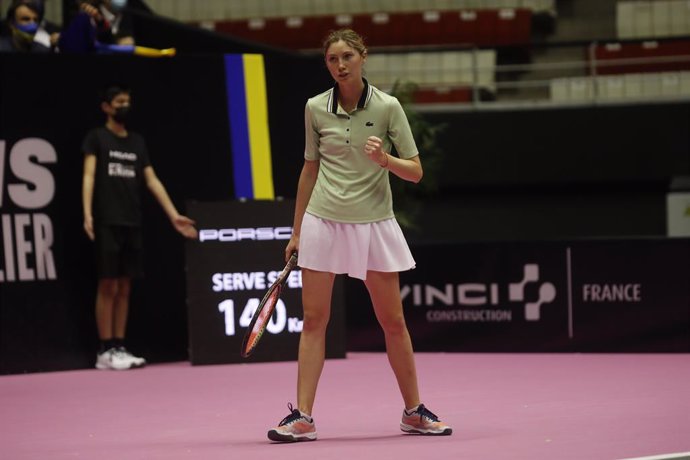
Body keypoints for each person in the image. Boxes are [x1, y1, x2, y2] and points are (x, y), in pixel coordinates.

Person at [268, 29, 452, 442]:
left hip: (373, 223)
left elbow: (416, 170)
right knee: (315, 321)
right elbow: (309, 170)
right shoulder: (315, 107)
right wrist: (296, 231)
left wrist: (383, 158)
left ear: (363, 56)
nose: (340, 65)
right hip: (323, 221)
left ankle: (414, 412)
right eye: (332, 59)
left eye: (347, 56)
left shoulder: (388, 107)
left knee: (393, 322)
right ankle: (302, 417)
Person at [81, 85, 197, 370]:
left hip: (132, 221)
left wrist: (173, 215)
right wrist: (87, 215)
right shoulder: (97, 138)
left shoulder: (136, 142)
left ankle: (119, 345)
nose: (124, 106)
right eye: (119, 102)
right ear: (106, 107)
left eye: (127, 101)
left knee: (124, 285)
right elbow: (88, 177)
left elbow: (152, 180)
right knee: (107, 283)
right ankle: (105, 349)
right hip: (107, 220)